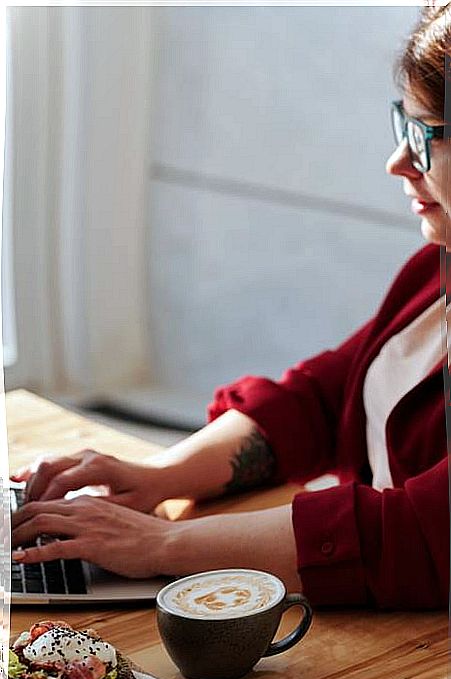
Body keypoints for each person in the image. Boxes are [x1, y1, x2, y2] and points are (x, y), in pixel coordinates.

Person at [11, 4, 451, 608]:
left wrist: (163, 544)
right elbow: (317, 402)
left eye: (424, 135)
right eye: (401, 125)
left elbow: (418, 532)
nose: (398, 162)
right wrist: (158, 477)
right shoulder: (435, 269)